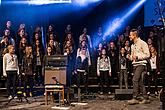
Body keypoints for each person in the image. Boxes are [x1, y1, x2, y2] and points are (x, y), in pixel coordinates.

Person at [127, 29, 150, 104]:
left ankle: (135, 97)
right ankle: (145, 97)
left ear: (134, 35)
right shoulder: (132, 45)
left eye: (130, 35)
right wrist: (129, 57)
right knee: (140, 82)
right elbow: (132, 57)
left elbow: (147, 54)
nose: (129, 36)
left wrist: (137, 57)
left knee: (135, 80)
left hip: (141, 64)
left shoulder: (143, 43)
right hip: (135, 65)